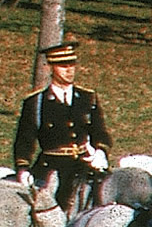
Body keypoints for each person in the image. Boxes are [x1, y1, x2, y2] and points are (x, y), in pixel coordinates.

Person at [12, 41, 109, 208]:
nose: (70, 70)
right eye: (64, 66)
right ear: (52, 67)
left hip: (83, 165)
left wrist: (100, 151)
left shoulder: (87, 98)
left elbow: (99, 131)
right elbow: (24, 139)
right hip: (51, 167)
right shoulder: (36, 102)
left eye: (72, 65)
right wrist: (23, 168)